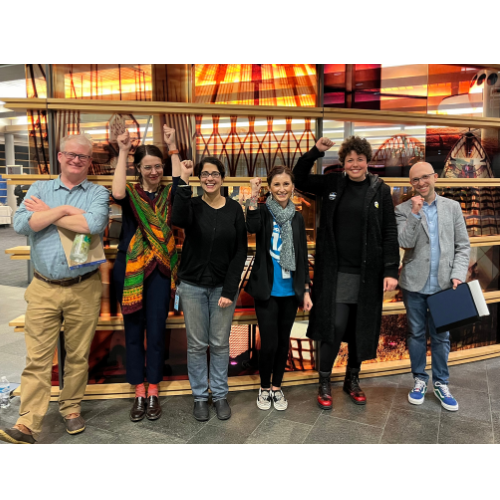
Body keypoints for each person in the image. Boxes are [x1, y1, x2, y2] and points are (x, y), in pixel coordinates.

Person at [0, 134, 109, 445]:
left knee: (77, 355)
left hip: (84, 287)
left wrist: (46, 214)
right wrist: (64, 211)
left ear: (90, 162)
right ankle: (27, 423)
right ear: (60, 157)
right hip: (44, 287)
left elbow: (94, 225)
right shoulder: (39, 189)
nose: (77, 160)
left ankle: (71, 407)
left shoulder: (97, 193)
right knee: (37, 357)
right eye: (71, 155)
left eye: (83, 157)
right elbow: (23, 225)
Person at [294, 137, 400, 410]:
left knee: (359, 329)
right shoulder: (332, 183)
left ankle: (352, 379)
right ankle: (325, 381)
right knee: (334, 326)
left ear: (367, 161)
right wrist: (316, 151)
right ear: (343, 162)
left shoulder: (380, 190)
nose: (355, 164)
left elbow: (389, 231)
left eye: (359, 159)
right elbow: (299, 177)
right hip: (336, 273)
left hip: (368, 275)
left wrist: (390, 270)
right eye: (349, 159)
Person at [112, 126, 181, 423]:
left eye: (157, 166)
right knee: (132, 333)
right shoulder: (129, 194)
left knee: (155, 333)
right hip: (130, 270)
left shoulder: (168, 195)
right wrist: (124, 150)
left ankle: (153, 389)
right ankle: (138, 391)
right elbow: (115, 191)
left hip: (160, 271)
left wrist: (173, 147)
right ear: (138, 169)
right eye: (148, 167)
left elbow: (181, 182)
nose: (154, 171)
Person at [172, 157, 248, 422]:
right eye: (204, 174)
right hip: (191, 286)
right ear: (199, 178)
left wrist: (230, 289)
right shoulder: (191, 205)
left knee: (219, 344)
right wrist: (182, 178)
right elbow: (177, 217)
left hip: (222, 289)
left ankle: (219, 394)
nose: (209, 178)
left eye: (214, 174)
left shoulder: (235, 209)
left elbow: (241, 251)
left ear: (222, 178)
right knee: (196, 345)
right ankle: (200, 397)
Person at [396, 162, 470, 412]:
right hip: (414, 284)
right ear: (411, 184)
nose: (420, 183)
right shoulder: (403, 210)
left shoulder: (452, 207)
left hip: (444, 285)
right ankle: (419, 380)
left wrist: (458, 274)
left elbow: (463, 245)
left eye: (424, 177)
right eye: (415, 180)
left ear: (435, 177)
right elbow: (405, 242)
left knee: (441, 337)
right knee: (416, 334)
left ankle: (441, 383)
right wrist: (415, 214)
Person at [246, 168, 313, 411]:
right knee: (270, 343)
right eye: (276, 184)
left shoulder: (297, 217)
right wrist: (254, 196)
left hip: (290, 290)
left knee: (283, 341)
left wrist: (305, 289)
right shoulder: (263, 212)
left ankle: (277, 386)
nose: (282, 189)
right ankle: (264, 388)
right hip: (267, 289)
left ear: (292, 187)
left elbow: (303, 255)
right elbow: (251, 227)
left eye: (286, 184)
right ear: (270, 188)